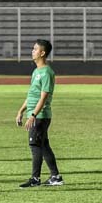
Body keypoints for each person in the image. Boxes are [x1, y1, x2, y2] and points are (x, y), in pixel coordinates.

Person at [16, 39, 64, 187]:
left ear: (42, 53)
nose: (32, 51)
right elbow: (32, 95)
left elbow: (43, 97)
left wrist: (33, 115)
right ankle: (56, 177)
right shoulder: (36, 71)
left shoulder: (47, 72)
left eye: (35, 49)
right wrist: (21, 111)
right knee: (43, 145)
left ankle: (35, 179)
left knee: (35, 145)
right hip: (35, 114)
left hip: (41, 116)